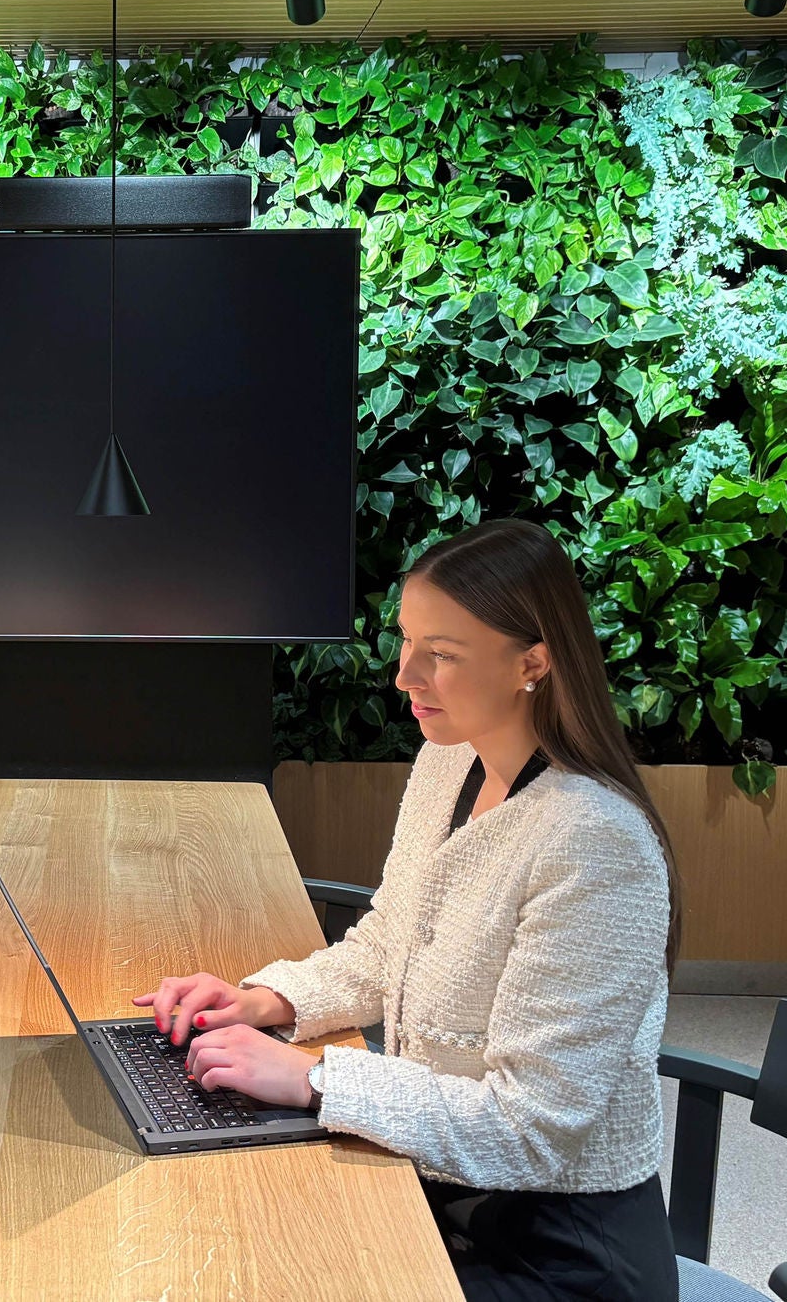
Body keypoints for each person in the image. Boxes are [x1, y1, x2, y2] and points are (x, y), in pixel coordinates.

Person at [134, 518, 681, 1301]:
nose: (404, 676)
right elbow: (394, 937)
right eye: (406, 641)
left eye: (443, 655)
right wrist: (265, 999)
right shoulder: (446, 760)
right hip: (439, 1190)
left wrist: (317, 1078)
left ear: (533, 662)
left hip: (560, 1254)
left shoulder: (597, 844)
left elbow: (534, 1128)